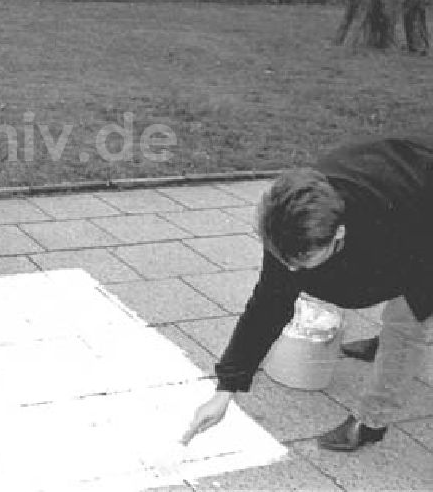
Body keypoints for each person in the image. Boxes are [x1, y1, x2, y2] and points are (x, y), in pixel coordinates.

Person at [183, 135, 432, 452]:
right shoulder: (291, 223)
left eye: (304, 262)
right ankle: (381, 344)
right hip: (393, 186)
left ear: (339, 234)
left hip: (423, 215)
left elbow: (417, 286)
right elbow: (268, 305)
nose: (292, 273)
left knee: (407, 320)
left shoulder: (393, 226)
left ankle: (371, 422)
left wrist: (410, 307)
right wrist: (225, 390)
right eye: (287, 262)